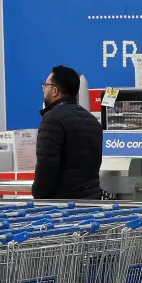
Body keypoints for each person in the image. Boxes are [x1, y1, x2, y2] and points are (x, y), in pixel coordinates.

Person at [32, 65, 103, 200]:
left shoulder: (52, 119)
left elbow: (46, 166)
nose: (44, 90)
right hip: (92, 202)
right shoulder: (93, 121)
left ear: (54, 91)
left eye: (45, 86)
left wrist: (38, 195)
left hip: (63, 207)